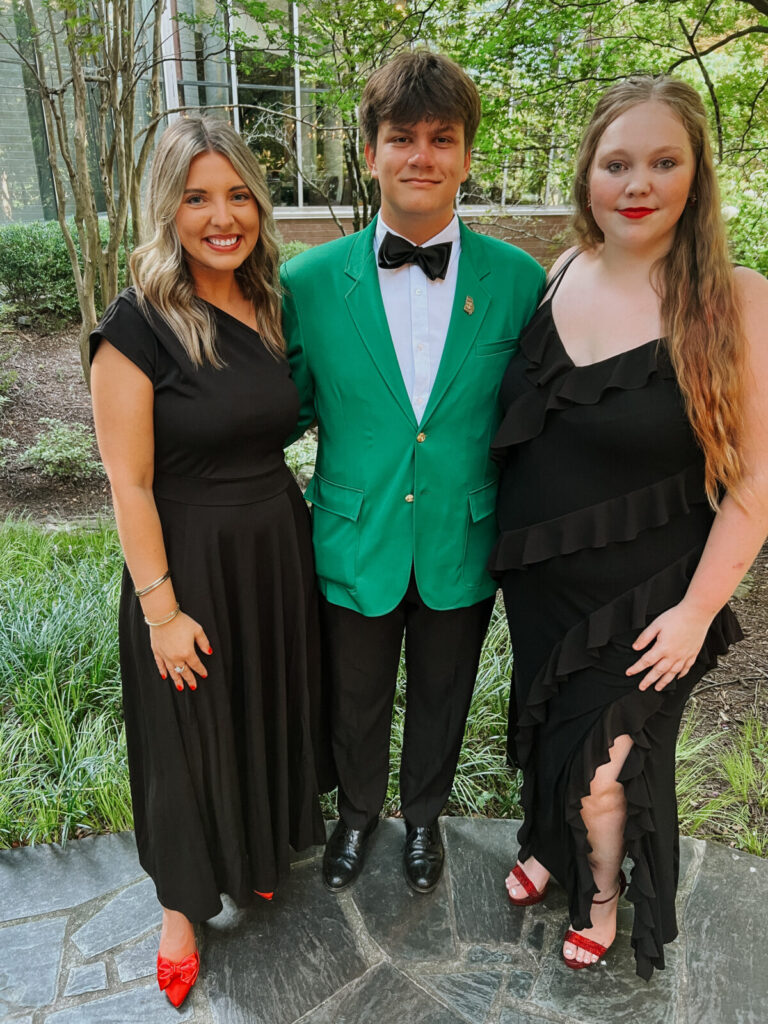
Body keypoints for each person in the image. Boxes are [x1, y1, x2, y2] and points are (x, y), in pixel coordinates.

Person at [489, 74, 768, 979]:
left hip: (649, 598)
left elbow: (756, 480)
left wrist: (695, 613)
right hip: (542, 579)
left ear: (697, 176)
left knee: (608, 768)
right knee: (547, 724)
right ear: (587, 175)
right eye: (617, 162)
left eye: (662, 161)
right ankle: (545, 843)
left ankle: (603, 897)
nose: (637, 183)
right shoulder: (559, 271)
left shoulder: (737, 300)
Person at [282, 50, 545, 895]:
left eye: (442, 138)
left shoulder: (520, 281)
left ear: (467, 156)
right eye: (402, 137)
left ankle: (423, 818)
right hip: (355, 536)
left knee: (443, 693)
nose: (421, 156)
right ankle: (357, 817)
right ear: (370, 152)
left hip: (460, 537)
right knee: (353, 698)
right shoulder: (309, 281)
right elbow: (275, 410)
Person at [90, 116, 334, 1007]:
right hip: (185, 559)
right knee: (184, 741)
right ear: (169, 209)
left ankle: (257, 854)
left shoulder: (264, 302)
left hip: (272, 547)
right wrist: (161, 609)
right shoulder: (137, 327)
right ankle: (181, 912)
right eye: (198, 198)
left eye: (237, 196)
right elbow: (129, 483)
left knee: (259, 709)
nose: (222, 217)